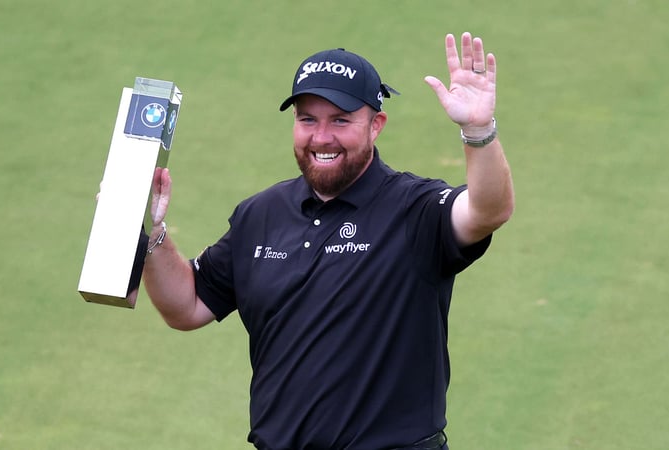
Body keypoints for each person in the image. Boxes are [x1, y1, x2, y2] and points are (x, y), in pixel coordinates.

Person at [141, 32, 514, 450]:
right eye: (307, 119)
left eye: (340, 120)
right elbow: (186, 306)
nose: (321, 137)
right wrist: (151, 234)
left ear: (376, 125)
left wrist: (479, 130)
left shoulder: (415, 209)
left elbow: (487, 210)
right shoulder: (261, 215)